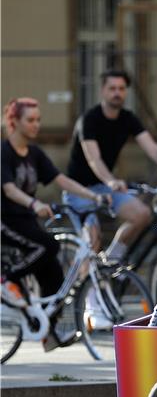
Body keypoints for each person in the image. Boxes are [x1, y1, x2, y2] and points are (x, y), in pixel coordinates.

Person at [1, 97, 107, 347]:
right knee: (48, 246)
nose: (36, 124)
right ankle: (6, 279)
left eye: (38, 120)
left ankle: (47, 332)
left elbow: (61, 180)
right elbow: (8, 190)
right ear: (14, 122)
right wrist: (34, 204)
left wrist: (94, 195)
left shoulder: (34, 153)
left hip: (25, 222)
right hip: (6, 220)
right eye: (30, 120)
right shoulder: (4, 153)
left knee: (54, 275)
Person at [64, 69, 157, 262]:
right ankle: (85, 289)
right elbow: (93, 158)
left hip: (105, 187)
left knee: (142, 214)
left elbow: (153, 149)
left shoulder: (128, 119)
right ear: (103, 91)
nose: (117, 93)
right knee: (92, 240)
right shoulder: (88, 120)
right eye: (112, 88)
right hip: (79, 189)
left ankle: (111, 259)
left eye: (121, 89)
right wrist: (112, 181)